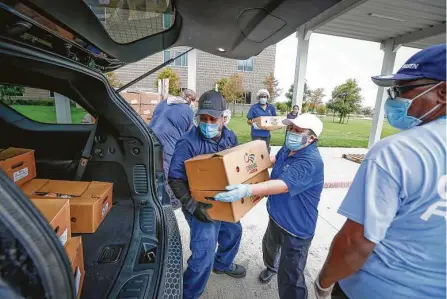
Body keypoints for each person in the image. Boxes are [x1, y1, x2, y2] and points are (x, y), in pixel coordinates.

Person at [314, 44, 446, 299]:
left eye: (402, 90)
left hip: (377, 289)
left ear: (442, 91)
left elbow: (356, 243)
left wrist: (323, 282)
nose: (393, 100)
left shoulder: (397, 152)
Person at [214, 113, 324, 299]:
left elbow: (281, 186)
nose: (292, 133)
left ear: (312, 138)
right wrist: (247, 164)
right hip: (277, 216)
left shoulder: (310, 162)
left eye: (298, 130)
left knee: (291, 275)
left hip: (296, 228)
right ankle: (271, 267)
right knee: (270, 247)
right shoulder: (289, 149)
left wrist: (247, 189)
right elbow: (273, 160)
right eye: (290, 128)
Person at [168, 90, 246, 299]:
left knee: (233, 232)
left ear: (224, 118)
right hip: (198, 202)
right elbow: (175, 178)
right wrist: (192, 206)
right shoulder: (188, 142)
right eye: (204, 118)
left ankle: (222, 264)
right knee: (203, 255)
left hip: (224, 199)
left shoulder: (230, 136)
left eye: (213, 118)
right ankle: (188, 294)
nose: (208, 122)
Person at [149, 89, 196, 208]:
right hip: (167, 145)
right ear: (189, 99)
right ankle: (172, 202)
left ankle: (152, 195)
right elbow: (190, 136)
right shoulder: (188, 111)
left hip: (149, 140)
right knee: (170, 174)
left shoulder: (163, 103)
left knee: (152, 170)